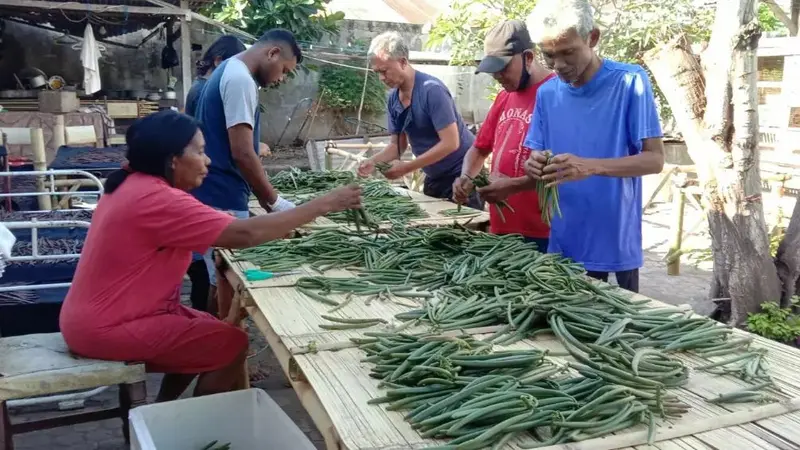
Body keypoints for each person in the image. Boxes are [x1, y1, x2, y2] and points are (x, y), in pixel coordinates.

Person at [59, 110, 361, 400]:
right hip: (106, 328)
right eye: (200, 152)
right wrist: (326, 203)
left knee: (208, 330)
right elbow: (245, 235)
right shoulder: (156, 198)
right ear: (174, 159)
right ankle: (191, 426)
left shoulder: (134, 184)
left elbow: (212, 225)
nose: (208, 161)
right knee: (232, 344)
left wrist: (272, 224)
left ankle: (164, 412)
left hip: (102, 317)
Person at [520, 0, 665, 292]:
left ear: (592, 38)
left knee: (618, 329)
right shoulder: (547, 93)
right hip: (563, 241)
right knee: (564, 327)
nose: (558, 65)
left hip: (614, 243)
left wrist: (590, 166)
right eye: (549, 56)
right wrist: (533, 163)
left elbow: (654, 160)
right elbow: (537, 151)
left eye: (568, 52)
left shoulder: (629, 82)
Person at [192, 28, 302, 315]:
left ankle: (213, 343)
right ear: (272, 53)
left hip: (217, 192)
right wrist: (274, 202)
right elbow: (242, 152)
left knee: (218, 277)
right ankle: (219, 350)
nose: (280, 78)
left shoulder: (229, 69)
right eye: (284, 70)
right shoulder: (241, 79)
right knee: (227, 279)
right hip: (222, 195)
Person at [453, 20, 554, 251]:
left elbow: (562, 166)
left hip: (543, 231)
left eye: (503, 68)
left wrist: (513, 186)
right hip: (501, 227)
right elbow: (479, 149)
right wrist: (466, 176)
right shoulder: (504, 97)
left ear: (528, 58)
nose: (497, 76)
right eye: (493, 69)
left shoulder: (556, 94)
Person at [357, 32, 482, 210]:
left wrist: (405, 168)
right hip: (433, 176)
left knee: (465, 232)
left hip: (462, 175)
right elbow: (397, 146)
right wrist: (373, 162)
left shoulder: (432, 91)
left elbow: (451, 143)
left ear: (402, 61)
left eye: (384, 71)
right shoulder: (393, 99)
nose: (381, 78)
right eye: (377, 73)